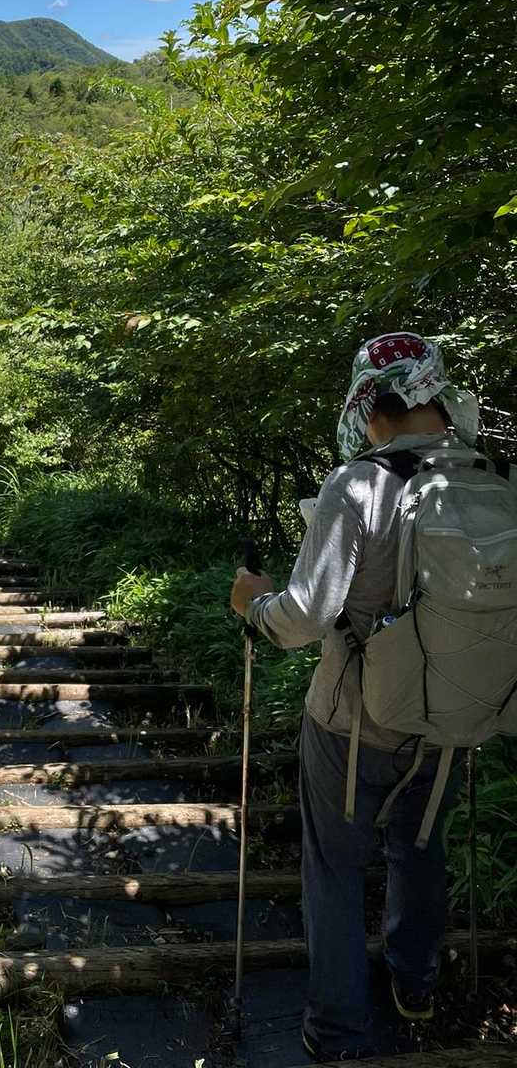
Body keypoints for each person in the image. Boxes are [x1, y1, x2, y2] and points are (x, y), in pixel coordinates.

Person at [230, 332, 480, 1063]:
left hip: (354, 721)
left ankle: (338, 1032)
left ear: (369, 410)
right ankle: (415, 987)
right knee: (420, 850)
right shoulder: (492, 480)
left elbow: (304, 617)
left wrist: (253, 603)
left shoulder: (360, 484)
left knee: (335, 869)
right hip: (452, 716)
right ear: (437, 396)